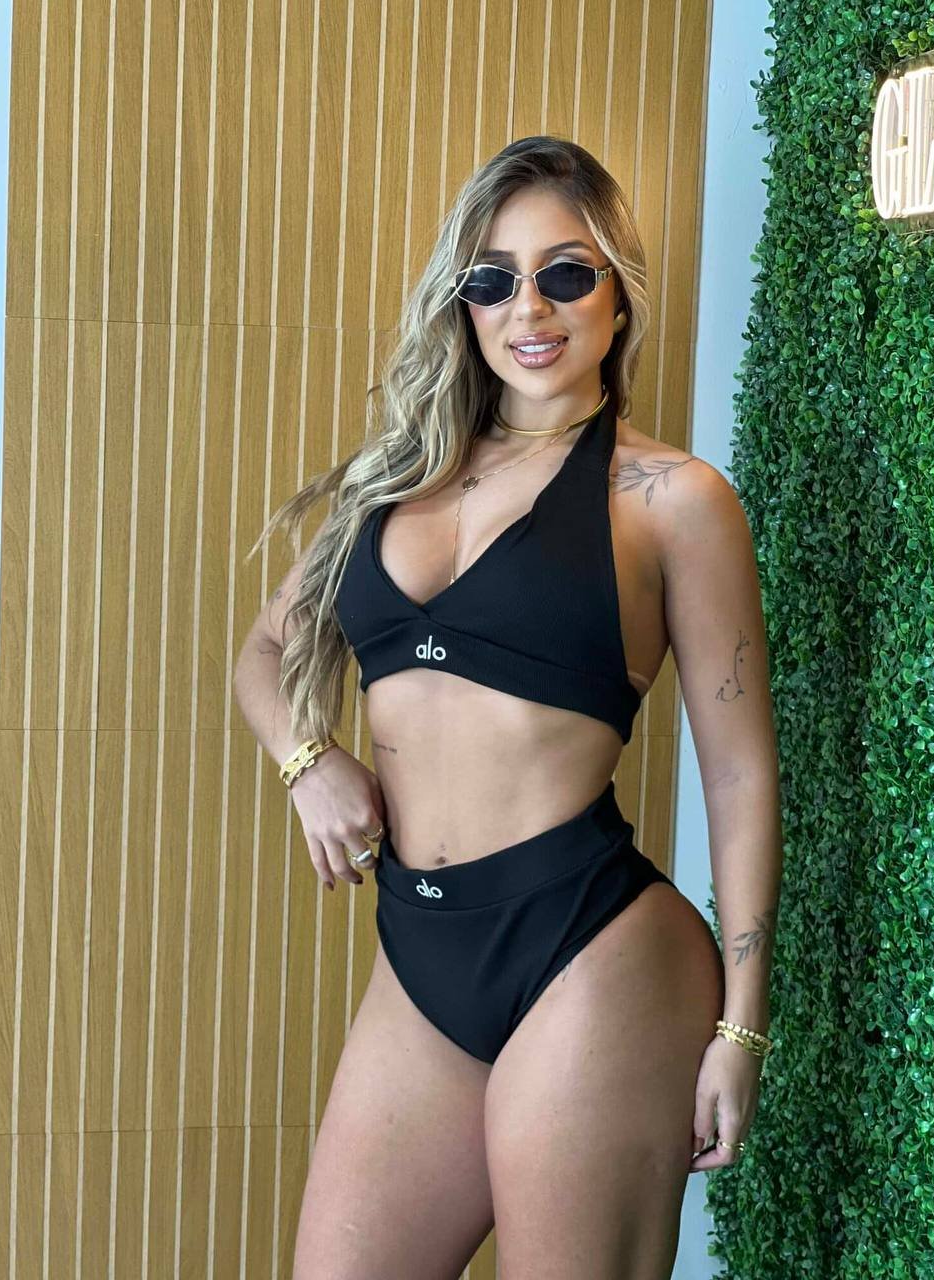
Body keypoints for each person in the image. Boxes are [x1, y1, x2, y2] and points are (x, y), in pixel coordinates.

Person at [234, 136, 782, 1280]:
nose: (528, 307)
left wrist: (741, 1025)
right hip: (421, 947)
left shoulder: (673, 500)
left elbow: (738, 772)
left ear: (618, 297)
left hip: (593, 948)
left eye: (565, 273)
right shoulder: (393, 480)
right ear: (464, 303)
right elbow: (266, 650)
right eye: (493, 279)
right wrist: (306, 758)